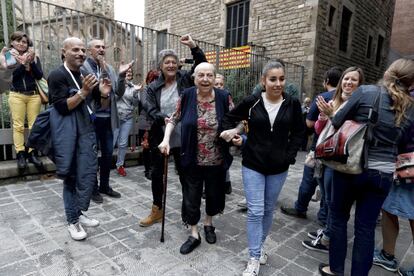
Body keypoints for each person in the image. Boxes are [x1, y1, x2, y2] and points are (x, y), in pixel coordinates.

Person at [318, 58, 414, 276]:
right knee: (366, 227)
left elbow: (338, 120)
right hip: (384, 173)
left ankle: (336, 270)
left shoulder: (367, 92)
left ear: (388, 73)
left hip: (352, 166)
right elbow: (404, 141)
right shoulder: (411, 106)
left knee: (340, 218)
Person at [220, 61, 305, 276]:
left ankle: (260, 246)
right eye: (273, 79)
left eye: (281, 79)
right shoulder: (252, 101)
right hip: (253, 164)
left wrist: (289, 156)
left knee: (268, 209)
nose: (278, 83)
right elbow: (228, 118)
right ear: (263, 81)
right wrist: (235, 136)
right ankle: (254, 256)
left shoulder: (292, 103)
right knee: (256, 211)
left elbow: (299, 132)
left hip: (279, 167)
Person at [158, 62, 233, 254]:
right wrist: (166, 140)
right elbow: (173, 118)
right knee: (191, 197)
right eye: (201, 75)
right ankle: (194, 233)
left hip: (217, 158)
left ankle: (208, 223)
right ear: (194, 78)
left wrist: (233, 131)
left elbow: (238, 121)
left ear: (215, 77)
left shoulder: (224, 97)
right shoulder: (187, 95)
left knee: (214, 194)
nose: (205, 79)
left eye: (209, 75)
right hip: (191, 157)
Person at [139, 34, 207, 227]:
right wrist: (164, 118)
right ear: (161, 66)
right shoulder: (153, 87)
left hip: (184, 136)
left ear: (178, 65)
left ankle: (188, 213)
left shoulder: (186, 79)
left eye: (173, 62)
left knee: (186, 175)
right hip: (161, 136)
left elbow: (202, 65)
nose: (170, 65)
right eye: (167, 62)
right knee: (157, 175)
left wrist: (194, 46)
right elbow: (150, 109)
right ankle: (157, 210)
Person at [301, 67, 364, 254]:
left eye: (354, 80)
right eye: (346, 79)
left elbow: (348, 132)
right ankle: (327, 232)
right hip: (324, 156)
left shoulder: (357, 104)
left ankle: (328, 238)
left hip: (339, 159)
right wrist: (322, 117)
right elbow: (319, 129)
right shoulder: (335, 100)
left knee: (334, 201)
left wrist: (331, 115)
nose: (348, 82)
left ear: (360, 84)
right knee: (328, 198)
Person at [48, 37, 102, 240]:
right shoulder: (57, 75)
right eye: (75, 49)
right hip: (68, 135)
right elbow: (62, 106)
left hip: (85, 132)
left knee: (85, 174)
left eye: (82, 50)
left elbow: (97, 103)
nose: (81, 53)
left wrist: (102, 93)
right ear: (64, 52)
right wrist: (84, 92)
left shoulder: (84, 74)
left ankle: (79, 213)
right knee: (70, 177)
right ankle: (72, 221)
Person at [280, 67, 342, 224]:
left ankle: (300, 208)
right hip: (338, 150)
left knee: (309, 180)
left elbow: (309, 122)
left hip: (319, 147)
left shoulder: (322, 97)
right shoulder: (346, 98)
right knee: (328, 186)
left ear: (327, 81)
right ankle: (323, 217)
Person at [81, 38, 133, 203]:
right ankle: (93, 188)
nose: (102, 49)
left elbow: (117, 92)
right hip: (91, 119)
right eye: (97, 47)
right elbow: (93, 92)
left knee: (108, 154)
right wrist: (103, 71)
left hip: (109, 120)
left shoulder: (110, 68)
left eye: (103, 47)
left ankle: (104, 185)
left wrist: (122, 76)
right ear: (90, 50)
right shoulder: (83, 68)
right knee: (92, 155)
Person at [372, 91, 414, 276]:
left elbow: (403, 130)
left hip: (408, 161)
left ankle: (387, 255)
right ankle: (387, 255)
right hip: (406, 160)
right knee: (390, 207)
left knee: (393, 208)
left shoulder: (409, 98)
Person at [0, 31, 44, 170]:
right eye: (17, 40)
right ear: (12, 42)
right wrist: (22, 64)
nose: (21, 43)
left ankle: (32, 153)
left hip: (33, 95)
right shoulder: (8, 56)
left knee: (34, 126)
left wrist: (30, 64)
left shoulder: (34, 56)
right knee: (18, 126)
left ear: (27, 44)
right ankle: (20, 154)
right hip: (16, 95)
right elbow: (10, 77)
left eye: (24, 41)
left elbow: (39, 75)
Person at [114, 68, 143, 176]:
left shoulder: (134, 87)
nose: (128, 74)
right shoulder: (116, 85)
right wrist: (121, 86)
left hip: (128, 118)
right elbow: (115, 98)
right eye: (126, 72)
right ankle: (102, 165)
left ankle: (120, 165)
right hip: (115, 118)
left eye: (130, 73)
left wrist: (136, 93)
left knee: (123, 143)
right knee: (111, 142)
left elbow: (135, 104)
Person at [138, 69, 159, 180]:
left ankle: (155, 168)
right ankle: (148, 170)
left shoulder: (160, 90)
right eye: (153, 79)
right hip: (145, 121)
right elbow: (145, 104)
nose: (155, 82)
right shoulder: (144, 90)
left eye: (157, 79)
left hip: (156, 122)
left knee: (155, 147)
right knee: (146, 147)